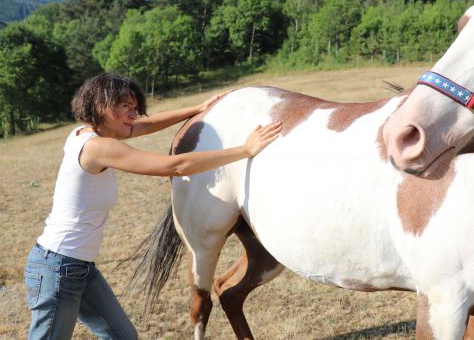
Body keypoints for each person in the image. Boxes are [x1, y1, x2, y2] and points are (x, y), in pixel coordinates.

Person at [24, 73, 282, 339]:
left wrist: (197, 109)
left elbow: (143, 127)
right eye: (127, 107)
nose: (134, 115)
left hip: (79, 268)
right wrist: (244, 150)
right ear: (102, 105)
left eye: (136, 108)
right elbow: (174, 165)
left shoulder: (81, 133)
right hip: (58, 268)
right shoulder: (96, 147)